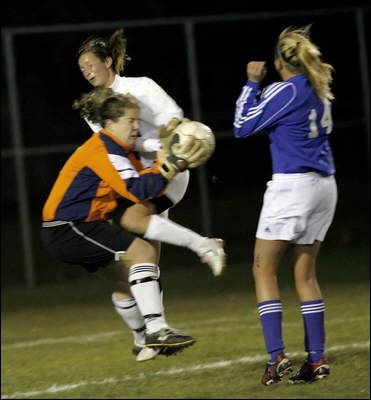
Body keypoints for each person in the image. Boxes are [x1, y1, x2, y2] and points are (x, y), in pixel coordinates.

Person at [41, 88, 226, 362]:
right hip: (70, 227)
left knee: (125, 280)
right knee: (143, 253)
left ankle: (142, 343)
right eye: (131, 121)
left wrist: (166, 162)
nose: (137, 126)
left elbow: (142, 183)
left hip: (68, 229)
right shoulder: (104, 148)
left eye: (138, 120)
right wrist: (170, 164)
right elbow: (137, 190)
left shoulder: (116, 148)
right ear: (110, 123)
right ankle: (157, 329)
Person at [75, 29, 221, 362]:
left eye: (90, 64)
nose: (86, 71)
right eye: (81, 67)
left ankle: (152, 330)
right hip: (133, 181)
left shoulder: (141, 86)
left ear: (108, 61)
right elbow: (119, 147)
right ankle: (146, 335)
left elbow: (173, 118)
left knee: (136, 242)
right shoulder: (92, 108)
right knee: (136, 261)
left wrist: (170, 148)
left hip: (167, 171)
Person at [233, 25, 337, 385]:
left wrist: (250, 84)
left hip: (294, 186)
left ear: (279, 61)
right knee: (305, 273)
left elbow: (242, 126)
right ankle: (317, 360)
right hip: (325, 186)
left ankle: (276, 357)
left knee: (263, 270)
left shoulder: (286, 88)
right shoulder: (321, 89)